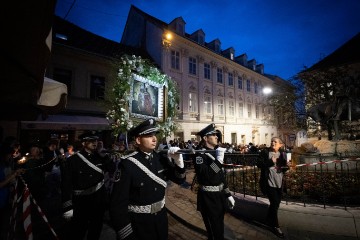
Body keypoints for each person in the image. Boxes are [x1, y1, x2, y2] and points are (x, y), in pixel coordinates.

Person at [109, 118, 186, 240]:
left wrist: (179, 163)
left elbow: (180, 180)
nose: (154, 138)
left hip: (161, 220)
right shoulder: (128, 164)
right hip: (139, 225)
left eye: (154, 135)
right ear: (138, 140)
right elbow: (118, 204)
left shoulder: (161, 159)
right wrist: (126, 234)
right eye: (149, 136)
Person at [61, 131, 113, 240]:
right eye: (91, 141)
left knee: (96, 228)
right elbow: (66, 184)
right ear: (84, 143)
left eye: (96, 140)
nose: (95, 143)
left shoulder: (101, 157)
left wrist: (106, 157)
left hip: (98, 200)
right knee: (79, 229)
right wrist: (68, 206)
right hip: (81, 201)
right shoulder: (73, 160)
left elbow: (112, 170)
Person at [193, 123, 235, 240]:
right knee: (214, 233)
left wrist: (228, 194)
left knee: (219, 230)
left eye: (217, 135)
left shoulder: (215, 153)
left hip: (219, 196)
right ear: (206, 138)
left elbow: (220, 177)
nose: (217, 137)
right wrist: (218, 161)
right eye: (213, 135)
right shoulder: (200, 155)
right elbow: (207, 175)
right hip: (208, 198)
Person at [256, 137, 289, 238]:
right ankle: (276, 227)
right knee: (274, 203)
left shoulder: (283, 153)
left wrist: (287, 166)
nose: (273, 143)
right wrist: (270, 161)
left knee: (276, 204)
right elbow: (259, 164)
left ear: (280, 144)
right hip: (269, 183)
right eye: (272, 141)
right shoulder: (265, 152)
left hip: (279, 182)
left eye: (275, 142)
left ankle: (268, 219)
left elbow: (284, 168)